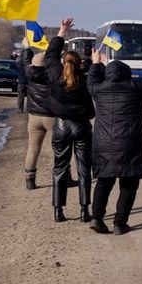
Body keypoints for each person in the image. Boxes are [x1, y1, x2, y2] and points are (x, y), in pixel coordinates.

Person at [86, 45, 142, 235]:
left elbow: (92, 79)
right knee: (129, 183)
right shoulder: (137, 89)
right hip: (130, 144)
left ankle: (97, 218)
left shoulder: (98, 90)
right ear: (127, 74)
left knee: (104, 181)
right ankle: (119, 223)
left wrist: (96, 63)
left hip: (102, 143)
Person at [42, 18, 96, 223]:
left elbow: (50, 55)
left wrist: (61, 32)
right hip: (81, 126)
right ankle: (84, 210)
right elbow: (91, 107)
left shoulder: (56, 75)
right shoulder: (84, 79)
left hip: (61, 126)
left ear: (64, 63)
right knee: (84, 168)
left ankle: (58, 210)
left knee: (59, 168)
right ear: (80, 63)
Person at [23, 48, 55, 191]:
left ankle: (30, 179)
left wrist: (27, 48)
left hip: (33, 117)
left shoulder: (29, 75)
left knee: (33, 148)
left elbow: (25, 61)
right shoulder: (52, 76)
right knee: (59, 148)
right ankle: (64, 176)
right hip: (51, 116)